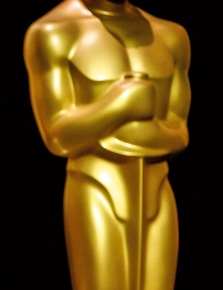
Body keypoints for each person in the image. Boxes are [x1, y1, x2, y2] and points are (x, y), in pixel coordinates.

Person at [23, 0, 190, 289]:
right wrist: (121, 105)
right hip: (95, 185)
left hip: (158, 186)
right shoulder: (53, 32)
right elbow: (57, 136)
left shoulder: (171, 35)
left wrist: (111, 127)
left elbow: (180, 133)